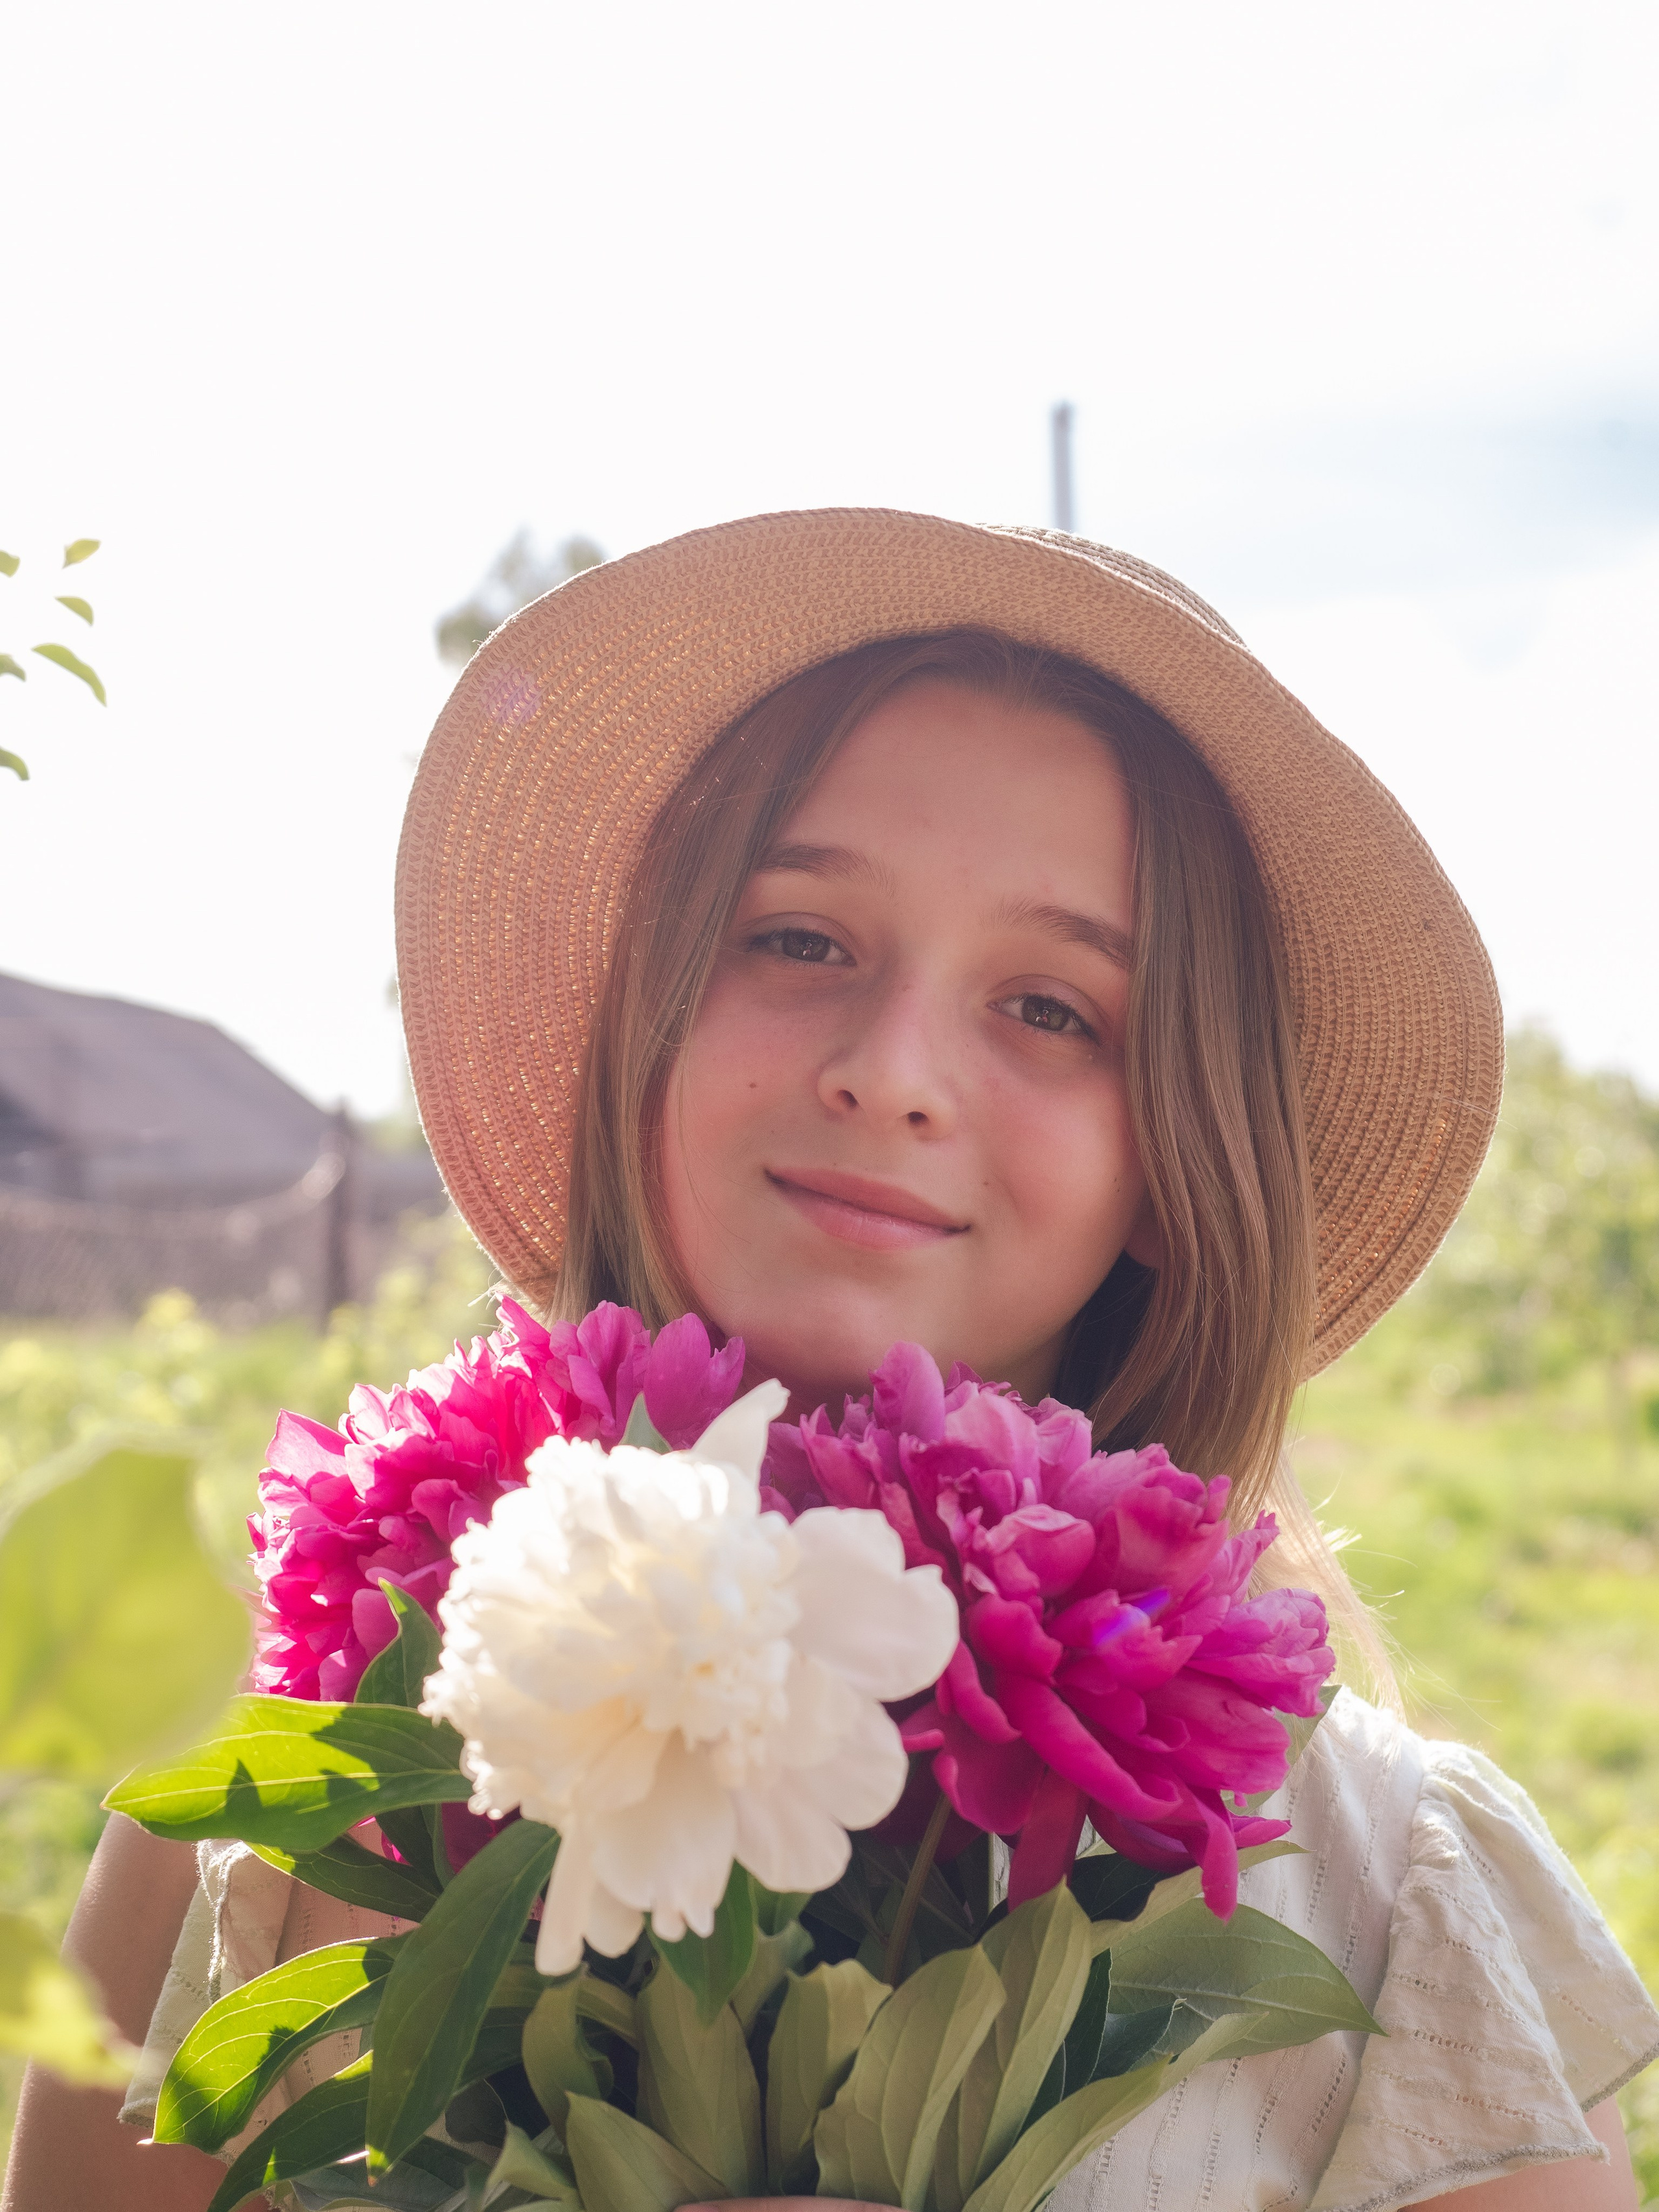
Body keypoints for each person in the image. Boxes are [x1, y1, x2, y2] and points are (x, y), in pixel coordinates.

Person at [8, 511, 1654, 2211]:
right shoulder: (278, 1814)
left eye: (1054, 1009)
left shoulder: (1399, 1919)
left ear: (1176, 1165)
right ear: (647, 1025)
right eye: (799, 938)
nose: (892, 1071)